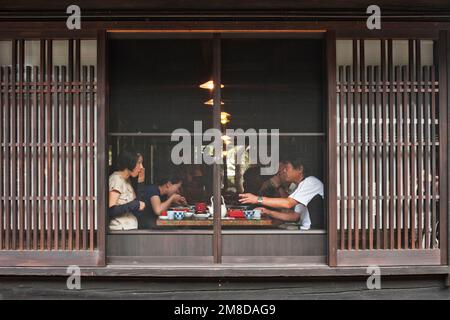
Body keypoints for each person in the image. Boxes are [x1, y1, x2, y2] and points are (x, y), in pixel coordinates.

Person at [239, 156, 324, 230]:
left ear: (300, 169)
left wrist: (257, 199)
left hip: (312, 232)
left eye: (286, 168)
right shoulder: (300, 186)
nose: (283, 171)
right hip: (306, 231)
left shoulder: (310, 182)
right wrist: (267, 211)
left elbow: (288, 203)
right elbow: (294, 216)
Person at [108, 150, 146, 231]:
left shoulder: (127, 180)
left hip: (130, 228)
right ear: (130, 163)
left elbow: (139, 206)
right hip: (119, 229)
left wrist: (141, 181)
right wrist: (134, 205)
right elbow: (111, 210)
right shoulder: (116, 179)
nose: (141, 167)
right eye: (139, 163)